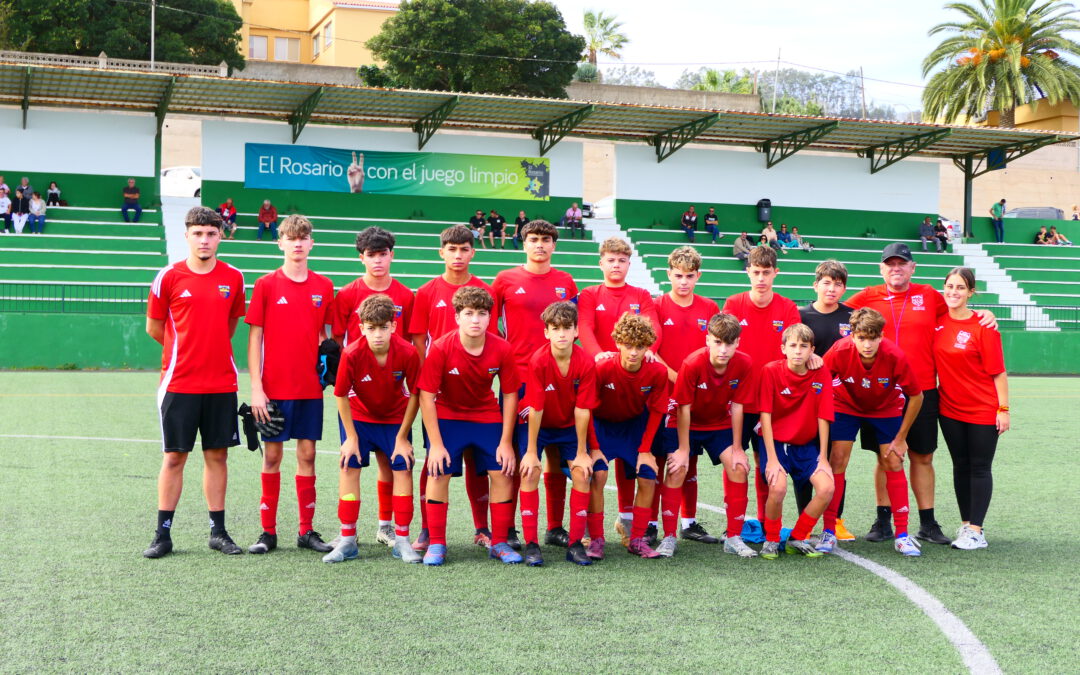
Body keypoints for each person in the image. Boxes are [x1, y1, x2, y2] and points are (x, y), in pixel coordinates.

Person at [847, 242, 997, 546]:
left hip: (924, 390)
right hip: (881, 392)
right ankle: (883, 519)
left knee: (923, 456)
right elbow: (835, 313)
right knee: (885, 455)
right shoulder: (867, 296)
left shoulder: (928, 295)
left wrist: (985, 312)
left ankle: (928, 523)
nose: (896, 268)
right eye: (890, 264)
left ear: (912, 268)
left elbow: (959, 310)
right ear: (881, 269)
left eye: (902, 263)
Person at [142, 207, 246, 559]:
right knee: (174, 457)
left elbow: (230, 326)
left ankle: (218, 532)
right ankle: (162, 534)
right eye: (198, 233)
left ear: (220, 236)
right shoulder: (168, 276)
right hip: (179, 383)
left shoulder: (234, 277)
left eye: (211, 233)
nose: (204, 240)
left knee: (217, 456)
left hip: (221, 383)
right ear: (186, 235)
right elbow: (155, 328)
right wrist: (181, 351)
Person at [244, 214, 335, 556]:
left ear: (311, 243)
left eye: (303, 237)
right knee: (272, 456)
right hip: (274, 388)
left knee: (308, 454)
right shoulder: (266, 284)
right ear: (280, 242)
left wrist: (330, 362)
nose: (297, 243)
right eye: (290, 237)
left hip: (310, 388)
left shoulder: (324, 286)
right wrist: (256, 387)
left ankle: (306, 531)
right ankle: (268, 532)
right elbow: (255, 339)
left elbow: (324, 337)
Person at [417, 286, 522, 566]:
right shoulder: (440, 347)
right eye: (469, 314)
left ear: (491, 318)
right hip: (448, 416)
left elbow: (510, 394)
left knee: (502, 472)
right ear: (457, 317)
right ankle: (437, 544)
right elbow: (427, 396)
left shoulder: (502, 347)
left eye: (482, 314)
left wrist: (505, 442)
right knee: (438, 473)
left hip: (486, 416)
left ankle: (499, 542)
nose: (475, 319)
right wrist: (436, 445)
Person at [409, 225, 499, 551]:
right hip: (439, 397)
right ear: (441, 252)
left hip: (476, 395)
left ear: (472, 252)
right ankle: (427, 530)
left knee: (479, 462)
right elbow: (420, 343)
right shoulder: (427, 292)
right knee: (434, 459)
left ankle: (482, 528)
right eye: (452, 249)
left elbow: (493, 340)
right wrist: (426, 387)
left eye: (464, 249)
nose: (458, 255)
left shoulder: (484, 291)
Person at [492, 219, 579, 550]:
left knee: (556, 451)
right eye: (533, 239)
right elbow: (490, 327)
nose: (539, 244)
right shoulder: (505, 280)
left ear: (554, 245)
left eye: (545, 239)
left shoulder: (565, 281)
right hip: (520, 381)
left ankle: (555, 528)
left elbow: (573, 328)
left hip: (559, 378)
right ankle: (511, 527)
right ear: (523, 243)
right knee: (518, 454)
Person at [331, 226, 415, 548]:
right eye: (371, 255)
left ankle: (385, 525)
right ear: (361, 258)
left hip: (394, 395)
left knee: (389, 462)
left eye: (383, 254)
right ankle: (348, 532)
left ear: (391, 255)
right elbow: (339, 342)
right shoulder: (348, 294)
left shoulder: (406, 296)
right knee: (350, 461)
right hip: (359, 396)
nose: (378, 261)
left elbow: (410, 345)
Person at [577, 237, 663, 544]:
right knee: (594, 470)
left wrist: (649, 349)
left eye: (622, 260)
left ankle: (628, 523)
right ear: (601, 263)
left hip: (632, 384)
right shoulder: (588, 294)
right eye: (611, 260)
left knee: (631, 467)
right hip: (599, 378)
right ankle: (590, 529)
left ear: (629, 264)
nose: (616, 265)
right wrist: (599, 354)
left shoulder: (640, 294)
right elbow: (584, 327)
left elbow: (654, 327)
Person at [818, 308, 924, 557]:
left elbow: (917, 396)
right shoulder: (839, 350)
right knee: (837, 460)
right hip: (845, 404)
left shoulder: (894, 355)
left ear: (881, 336)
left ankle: (902, 535)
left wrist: (901, 438)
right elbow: (820, 381)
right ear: (852, 335)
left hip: (886, 408)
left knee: (893, 461)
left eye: (872, 338)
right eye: (861, 338)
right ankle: (829, 531)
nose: (867, 344)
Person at [327, 294, 423, 564]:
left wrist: (403, 437)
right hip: (359, 418)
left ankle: (402, 540)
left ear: (393, 326)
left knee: (403, 466)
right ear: (362, 328)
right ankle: (347, 540)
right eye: (371, 328)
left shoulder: (407, 352)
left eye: (383, 327)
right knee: (348, 465)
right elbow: (341, 395)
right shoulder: (351, 352)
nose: (378, 334)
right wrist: (351, 438)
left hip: (394, 419)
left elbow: (415, 395)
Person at [722, 245, 804, 527]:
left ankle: (766, 523)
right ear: (748, 272)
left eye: (766, 273)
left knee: (766, 462)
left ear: (775, 273)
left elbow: (796, 350)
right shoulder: (733, 304)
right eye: (756, 272)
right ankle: (735, 524)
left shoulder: (788, 307)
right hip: (737, 400)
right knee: (735, 460)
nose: (761, 278)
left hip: (772, 402)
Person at [665, 312, 757, 558]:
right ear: (708, 340)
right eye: (718, 342)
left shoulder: (745, 363)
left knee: (739, 467)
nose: (723, 349)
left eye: (729, 343)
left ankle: (734, 537)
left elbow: (738, 406)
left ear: (738, 342)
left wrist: (738, 447)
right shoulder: (693, 363)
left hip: (718, 424)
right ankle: (669, 537)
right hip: (686, 422)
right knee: (677, 469)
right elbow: (683, 407)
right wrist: (683, 449)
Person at [518, 301, 600, 566]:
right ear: (546, 332)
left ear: (576, 331)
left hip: (567, 426)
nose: (562, 334)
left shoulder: (586, 362)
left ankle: (576, 544)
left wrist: (581, 452)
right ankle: (531, 544)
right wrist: (531, 452)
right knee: (529, 471)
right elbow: (536, 408)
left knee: (582, 472)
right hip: (537, 424)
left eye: (567, 328)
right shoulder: (539, 360)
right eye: (556, 328)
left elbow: (583, 410)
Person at [934, 267, 1009, 551]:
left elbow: (998, 373)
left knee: (979, 467)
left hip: (982, 409)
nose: (953, 292)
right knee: (959, 466)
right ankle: (966, 524)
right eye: (950, 286)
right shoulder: (938, 322)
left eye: (960, 288)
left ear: (971, 292)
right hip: (949, 408)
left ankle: (977, 531)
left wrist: (1003, 408)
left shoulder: (983, 326)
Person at [654, 246, 721, 544]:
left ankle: (689, 522)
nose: (683, 282)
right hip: (664, 395)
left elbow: (717, 350)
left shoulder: (710, 308)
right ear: (668, 274)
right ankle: (652, 524)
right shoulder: (656, 306)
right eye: (678, 275)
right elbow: (651, 352)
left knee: (690, 459)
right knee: (661, 461)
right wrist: (681, 379)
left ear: (698, 276)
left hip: (699, 396)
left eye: (690, 276)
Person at [591, 314, 669, 558]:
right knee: (598, 474)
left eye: (639, 346)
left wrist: (646, 450)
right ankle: (595, 539)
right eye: (628, 345)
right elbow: (587, 409)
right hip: (601, 427)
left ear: (648, 347)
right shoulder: (602, 367)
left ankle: (637, 539)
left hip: (633, 428)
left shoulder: (657, 372)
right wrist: (593, 448)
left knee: (648, 477)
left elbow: (657, 411)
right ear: (617, 343)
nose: (633, 352)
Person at [757, 323, 835, 559]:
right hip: (777, 445)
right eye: (793, 346)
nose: (798, 351)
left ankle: (798, 536)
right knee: (778, 487)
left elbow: (824, 416)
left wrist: (823, 457)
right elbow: (765, 417)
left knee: (826, 487)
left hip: (806, 446)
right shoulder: (770, 371)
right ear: (783, 349)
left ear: (812, 349)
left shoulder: (821, 373)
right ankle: (771, 539)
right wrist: (771, 459)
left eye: (804, 346)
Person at [798, 259, 855, 541]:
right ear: (816, 285)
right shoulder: (801, 316)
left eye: (838, 283)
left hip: (843, 401)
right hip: (807, 400)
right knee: (805, 459)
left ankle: (836, 520)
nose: (832, 288)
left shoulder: (852, 317)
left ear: (844, 288)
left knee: (837, 460)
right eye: (827, 282)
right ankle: (803, 517)